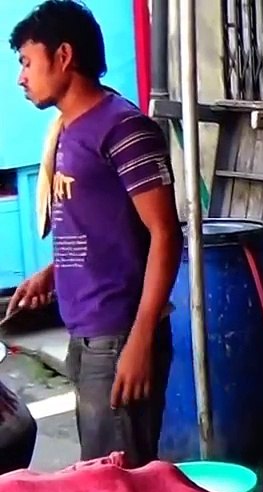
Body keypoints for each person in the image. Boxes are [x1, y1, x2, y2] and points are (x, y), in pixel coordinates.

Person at [8, 0, 180, 467]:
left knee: (119, 482)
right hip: (85, 334)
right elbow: (96, 225)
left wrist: (142, 340)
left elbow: (165, 233)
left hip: (119, 335)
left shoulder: (124, 129)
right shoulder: (67, 130)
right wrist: (52, 271)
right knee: (98, 475)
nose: (21, 77)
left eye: (27, 61)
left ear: (63, 56)